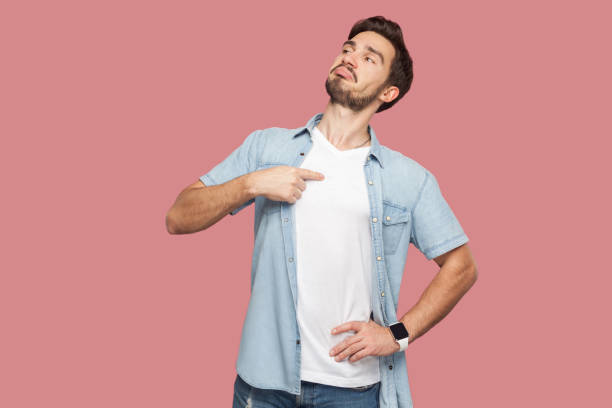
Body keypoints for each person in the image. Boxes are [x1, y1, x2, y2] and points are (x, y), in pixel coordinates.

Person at [166, 15, 478, 408]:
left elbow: (462, 266)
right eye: (348, 49)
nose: (349, 57)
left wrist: (397, 334)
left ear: (389, 92)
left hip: (354, 390)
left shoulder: (408, 179)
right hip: (265, 385)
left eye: (369, 57)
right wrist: (252, 183)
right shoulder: (268, 147)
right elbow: (178, 217)